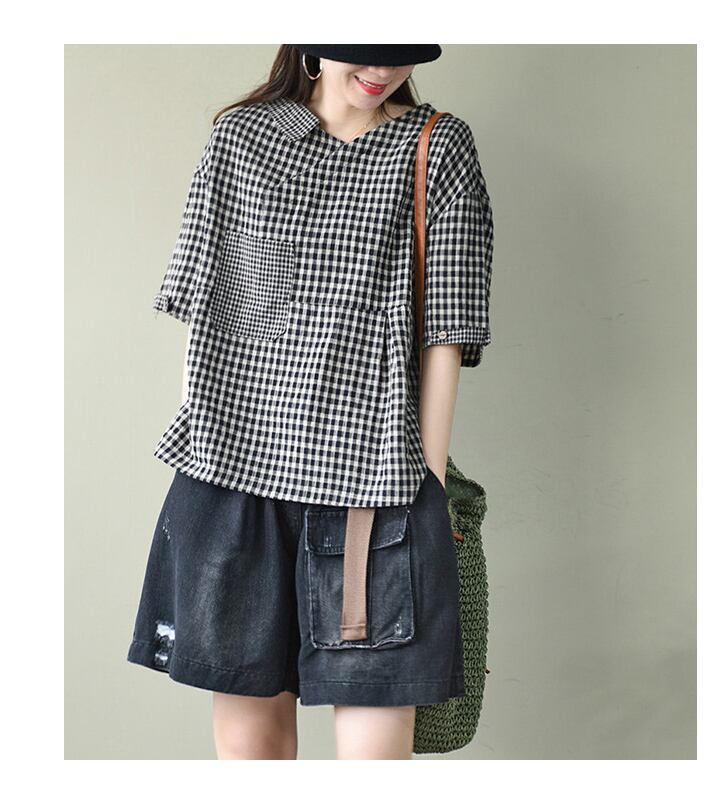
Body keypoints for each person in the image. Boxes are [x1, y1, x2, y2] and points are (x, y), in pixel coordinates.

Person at [126, 44, 494, 760]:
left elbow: (446, 333)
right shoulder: (241, 138)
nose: (381, 71)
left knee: (376, 746)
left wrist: (426, 481)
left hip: (375, 482)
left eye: (400, 54)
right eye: (363, 50)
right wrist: (208, 438)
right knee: (251, 740)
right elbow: (203, 304)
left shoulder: (436, 145)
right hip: (236, 474)